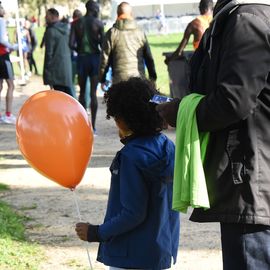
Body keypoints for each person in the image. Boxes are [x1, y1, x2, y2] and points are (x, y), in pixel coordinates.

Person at [156, 1, 270, 269]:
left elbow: (235, 99)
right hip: (248, 180)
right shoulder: (236, 16)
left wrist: (181, 111)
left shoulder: (247, 19)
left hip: (250, 184)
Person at [75, 77, 180, 270]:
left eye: (116, 118)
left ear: (124, 119)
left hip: (129, 255)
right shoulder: (168, 147)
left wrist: (97, 233)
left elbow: (133, 212)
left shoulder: (130, 157)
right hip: (160, 250)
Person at [99, 2, 157, 87]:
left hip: (119, 81)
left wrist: (102, 79)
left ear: (117, 14)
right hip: (139, 80)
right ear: (131, 14)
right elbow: (149, 58)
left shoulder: (112, 33)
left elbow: (104, 59)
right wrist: (152, 78)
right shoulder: (140, 33)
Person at [69, 0, 104, 133]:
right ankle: (93, 127)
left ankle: (83, 125)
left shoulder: (76, 23)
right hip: (95, 59)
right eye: (97, 8)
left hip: (82, 59)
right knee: (93, 94)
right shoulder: (98, 23)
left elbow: (70, 44)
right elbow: (103, 44)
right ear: (93, 9)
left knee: (82, 92)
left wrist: (80, 50)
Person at [165, 0, 213, 64]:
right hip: (215, 59)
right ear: (212, 8)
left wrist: (170, 59)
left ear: (201, 7)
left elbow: (180, 50)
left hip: (200, 60)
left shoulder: (194, 24)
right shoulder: (217, 21)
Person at [43, 8, 73, 96]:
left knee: (60, 98)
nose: (45, 17)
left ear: (53, 17)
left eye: (47, 15)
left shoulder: (51, 31)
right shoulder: (66, 28)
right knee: (68, 97)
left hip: (55, 71)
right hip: (66, 68)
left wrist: (47, 75)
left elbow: (49, 53)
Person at [0, 1, 18, 124]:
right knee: (11, 85)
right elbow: (1, 39)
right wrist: (12, 46)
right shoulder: (1, 21)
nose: (4, 10)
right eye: (1, 7)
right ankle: (8, 114)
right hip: (2, 56)